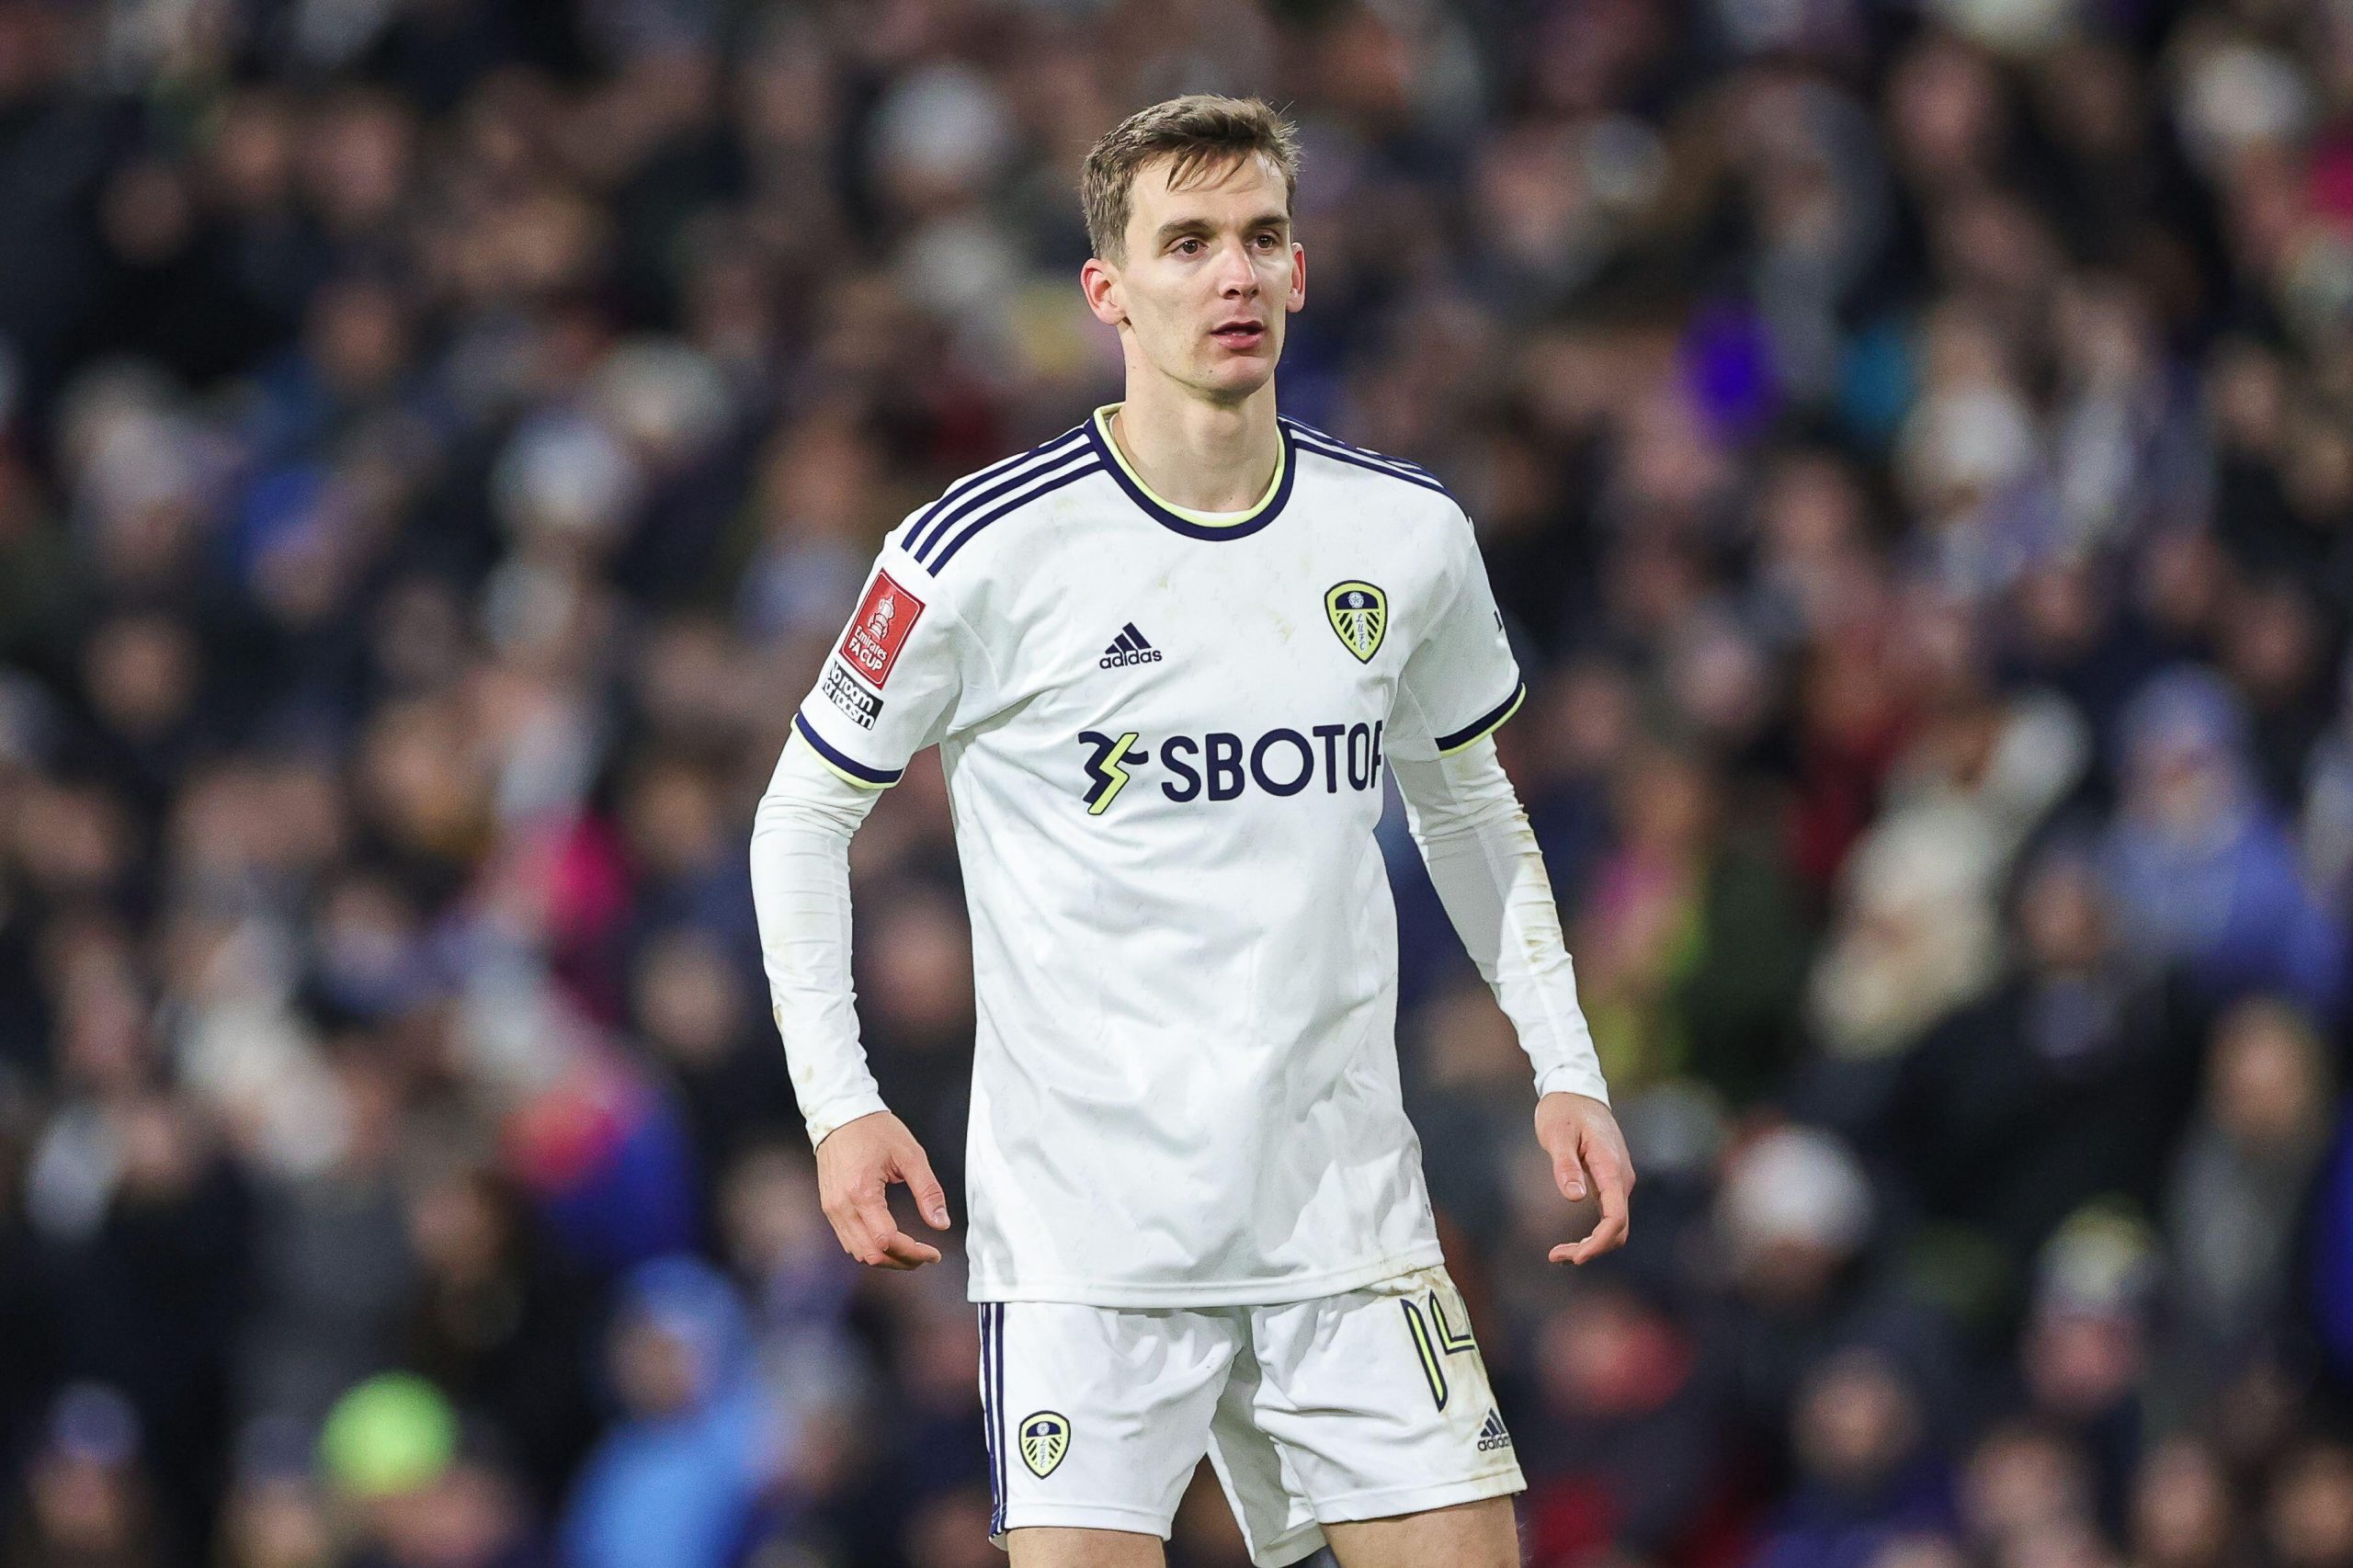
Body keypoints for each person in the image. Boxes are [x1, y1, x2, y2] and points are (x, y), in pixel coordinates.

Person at [748, 95, 1633, 1568]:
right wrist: (840, 1102)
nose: (1234, 274)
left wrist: (1565, 1058)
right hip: (1091, 1249)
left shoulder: (1403, 535)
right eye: (1189, 243)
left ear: (1301, 269)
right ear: (1109, 291)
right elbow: (798, 818)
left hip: (1341, 1225)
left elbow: (1468, 797)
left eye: (1262, 237)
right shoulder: (978, 549)